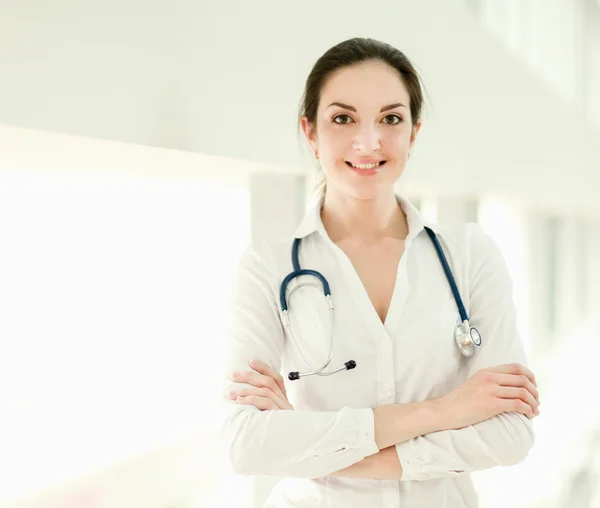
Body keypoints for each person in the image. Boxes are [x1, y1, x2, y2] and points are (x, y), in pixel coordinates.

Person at [220, 37, 539, 507]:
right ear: (310, 133)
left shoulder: (470, 256)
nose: (368, 142)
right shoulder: (266, 269)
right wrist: (445, 410)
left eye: (390, 119)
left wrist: (316, 449)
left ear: (413, 132)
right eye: (343, 118)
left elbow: (511, 434)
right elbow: (245, 443)